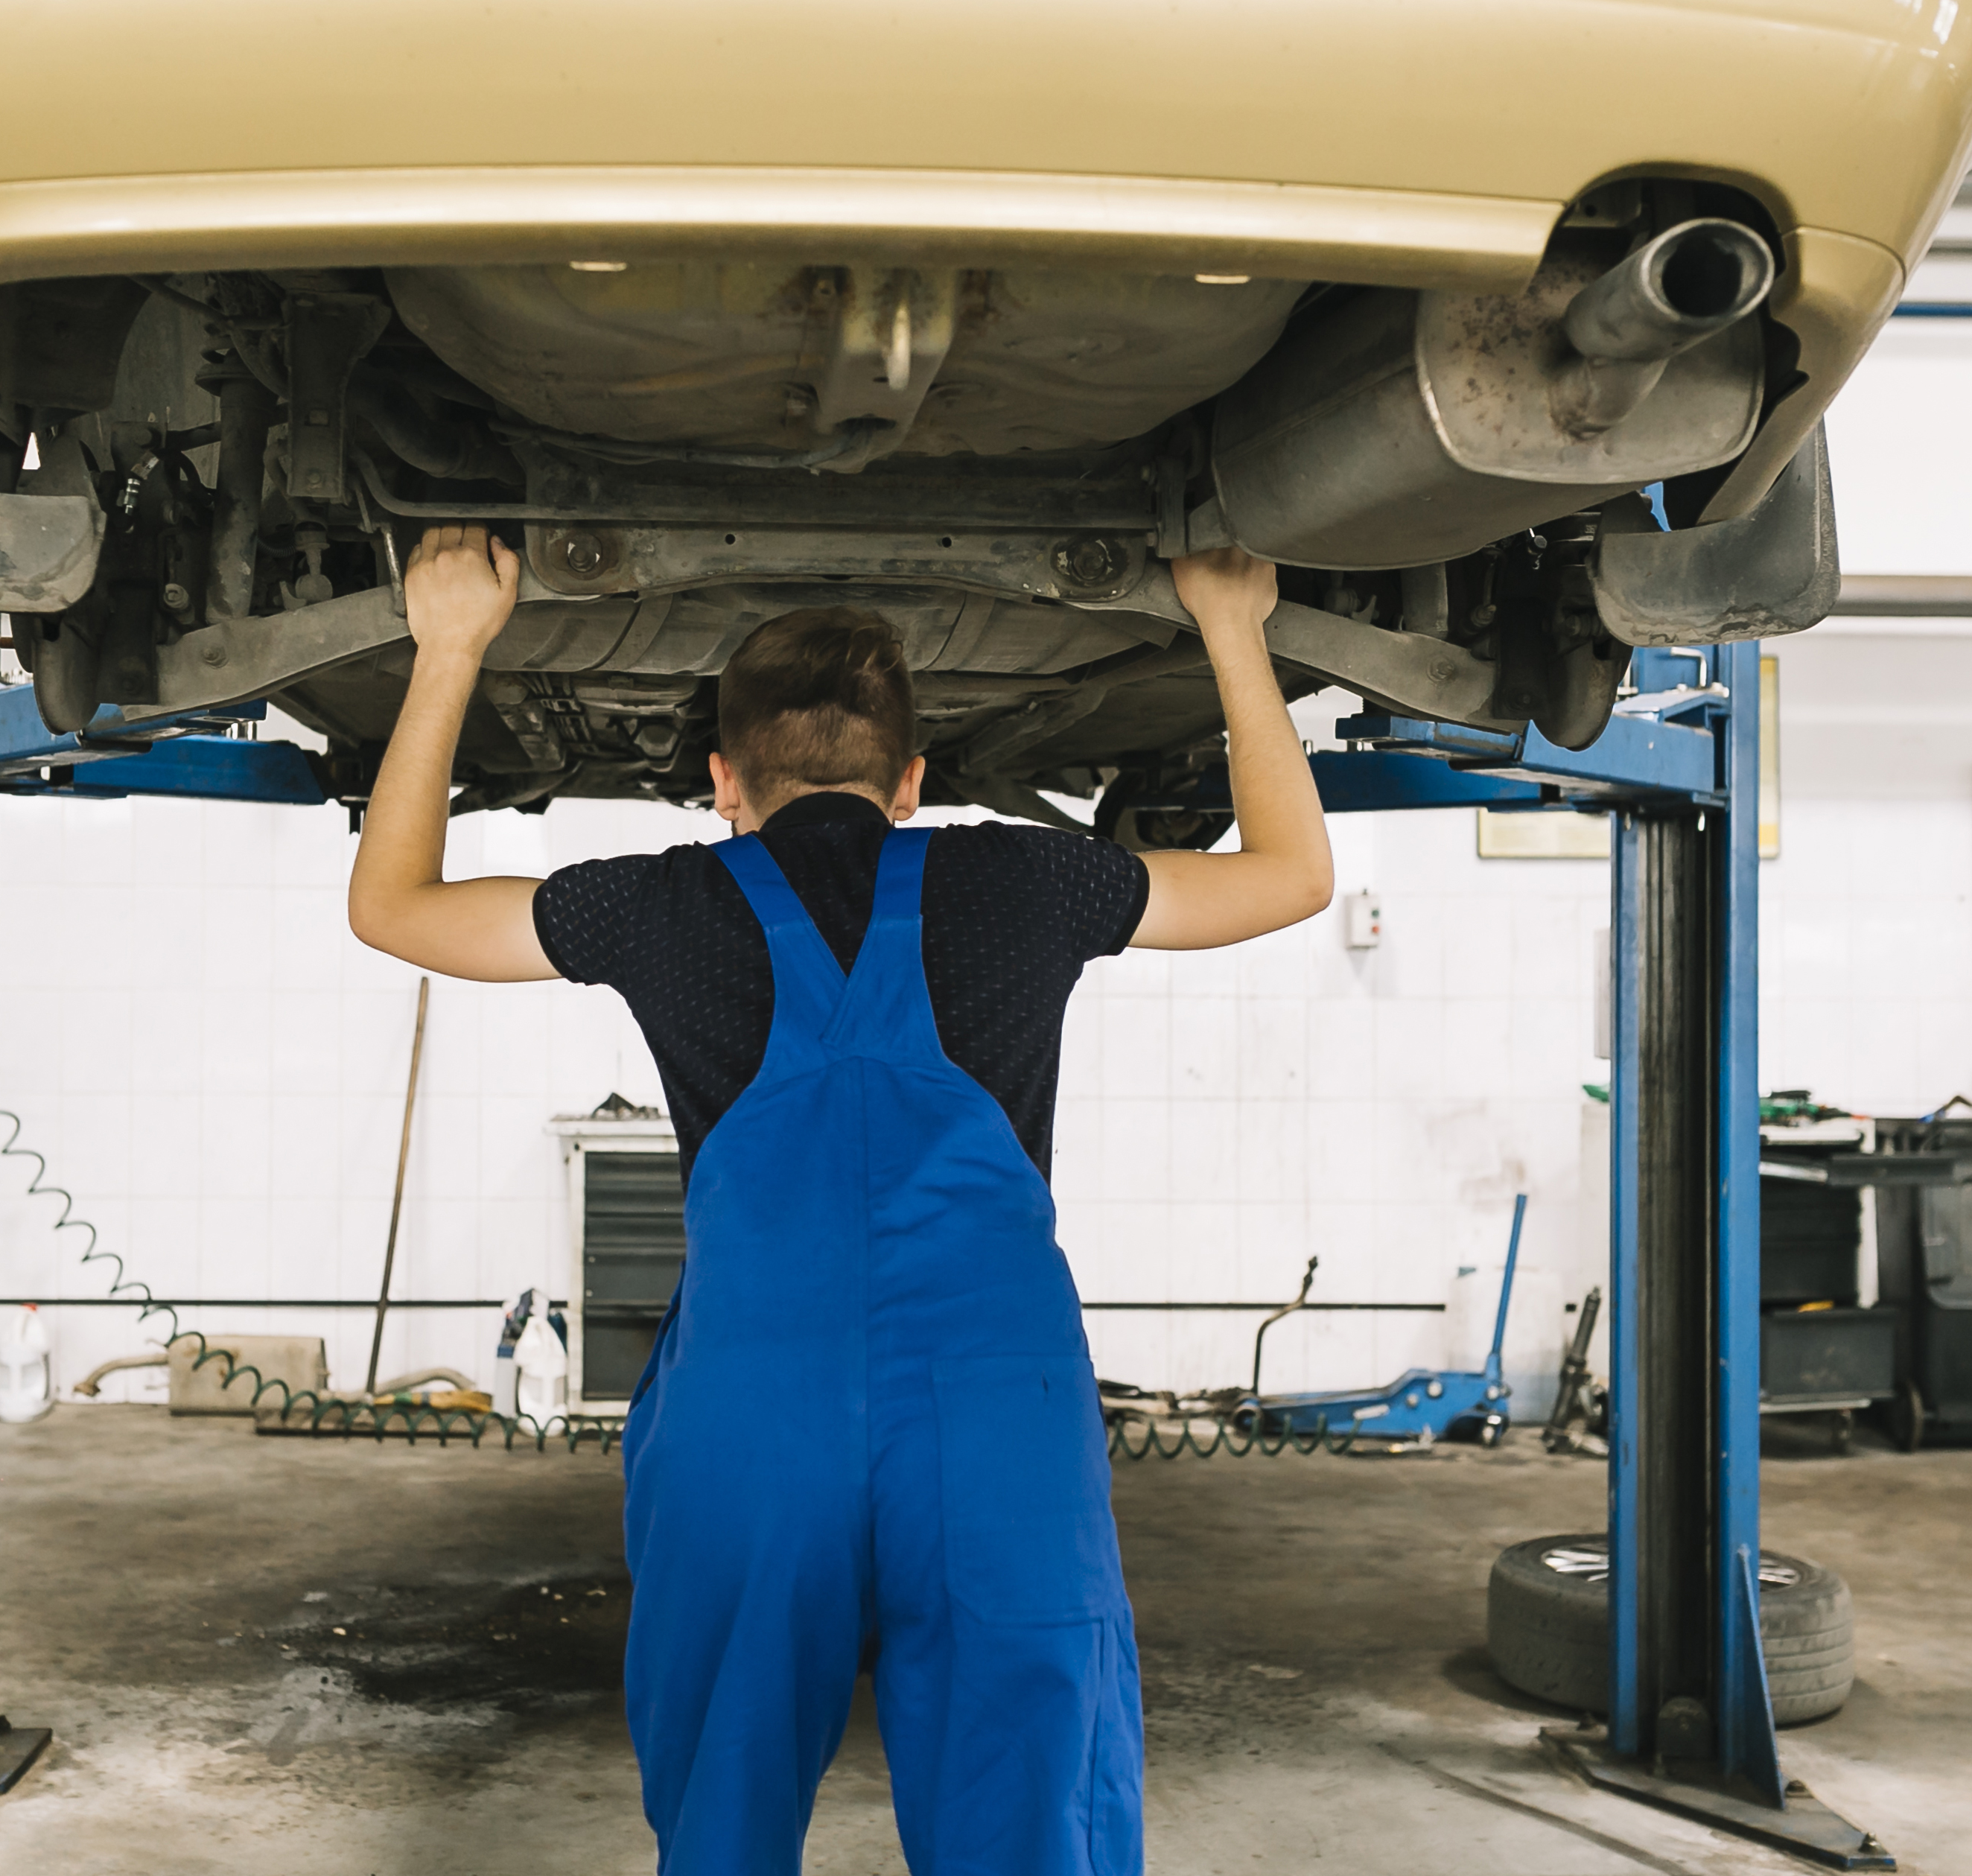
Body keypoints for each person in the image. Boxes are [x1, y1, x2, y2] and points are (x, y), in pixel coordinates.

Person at [348, 528, 1333, 1876]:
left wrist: (450, 642)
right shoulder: (1025, 882)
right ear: (913, 780)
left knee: (727, 1828)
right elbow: (1293, 875)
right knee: (1031, 1832)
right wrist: (1232, 623)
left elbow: (393, 906)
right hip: (1001, 1429)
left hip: (752, 1426)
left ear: (723, 781)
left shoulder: (660, 906)